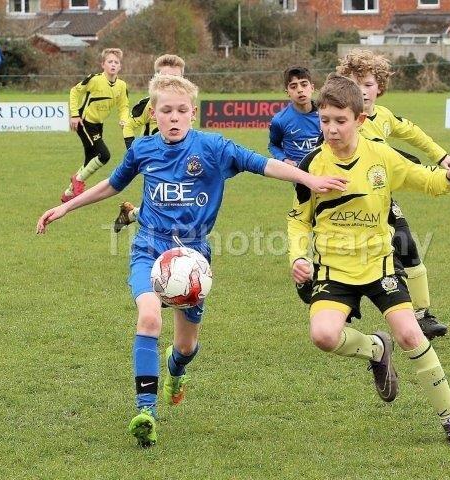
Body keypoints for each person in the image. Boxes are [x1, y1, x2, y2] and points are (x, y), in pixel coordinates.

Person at [36, 74, 347, 448]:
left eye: (181, 110)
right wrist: (66, 207)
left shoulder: (213, 147)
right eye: (166, 110)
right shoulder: (143, 150)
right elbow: (113, 185)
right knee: (149, 316)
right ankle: (146, 412)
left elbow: (261, 163)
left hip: (193, 257)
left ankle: (176, 368)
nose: (174, 117)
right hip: (149, 248)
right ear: (153, 113)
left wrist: (308, 179)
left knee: (185, 347)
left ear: (192, 113)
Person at [288, 74, 450, 448]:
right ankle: (376, 348)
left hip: (379, 265)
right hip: (333, 270)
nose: (331, 129)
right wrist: (298, 256)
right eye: (325, 120)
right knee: (323, 336)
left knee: (410, 334)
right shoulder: (310, 165)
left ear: (360, 119)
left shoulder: (381, 156)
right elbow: (298, 219)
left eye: (340, 121)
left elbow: (425, 180)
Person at [336, 49, 450, 339]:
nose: (362, 91)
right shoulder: (345, 120)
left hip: (380, 198)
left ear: (379, 87)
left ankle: (422, 316)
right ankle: (339, 302)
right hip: (345, 203)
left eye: (368, 84)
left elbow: (413, 133)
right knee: (352, 254)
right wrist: (406, 161)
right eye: (354, 84)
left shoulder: (384, 117)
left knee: (407, 247)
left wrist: (442, 157)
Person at [114, 54, 186, 232]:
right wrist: (133, 152)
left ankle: (131, 214)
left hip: (180, 156)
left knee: (170, 202)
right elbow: (129, 125)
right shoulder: (148, 105)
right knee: (170, 202)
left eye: (176, 79)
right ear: (156, 79)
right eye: (165, 78)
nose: (171, 84)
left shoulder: (186, 104)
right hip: (155, 159)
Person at [61, 48, 129, 203]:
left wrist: (124, 119)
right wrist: (74, 114)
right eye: (110, 61)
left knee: (90, 159)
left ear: (120, 66)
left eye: (116, 62)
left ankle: (69, 193)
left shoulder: (121, 85)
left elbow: (124, 106)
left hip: (98, 125)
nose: (113, 64)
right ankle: (78, 180)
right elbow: (74, 91)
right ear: (103, 64)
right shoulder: (94, 79)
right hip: (84, 122)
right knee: (104, 155)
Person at [268, 66, 321, 166]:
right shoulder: (279, 120)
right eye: (293, 87)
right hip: (297, 172)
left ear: (312, 88)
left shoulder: (326, 115)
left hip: (324, 170)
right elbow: (273, 145)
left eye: (304, 85)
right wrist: (283, 159)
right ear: (287, 92)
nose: (300, 90)